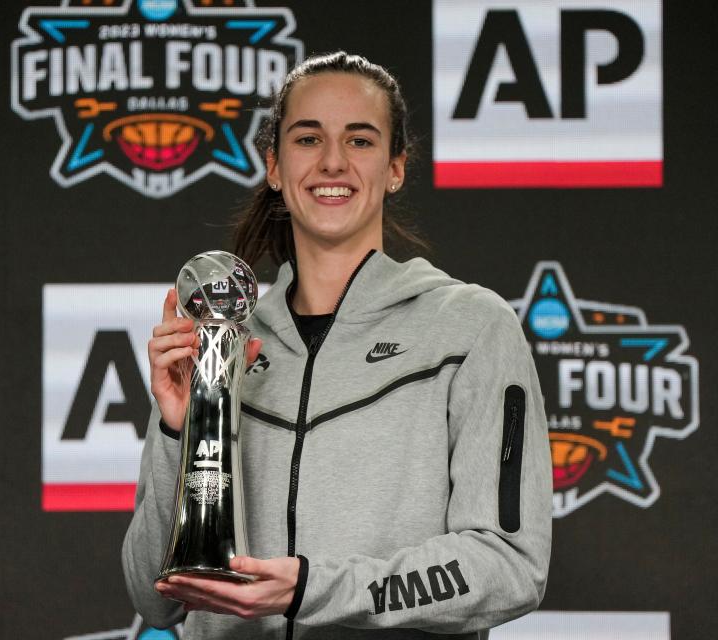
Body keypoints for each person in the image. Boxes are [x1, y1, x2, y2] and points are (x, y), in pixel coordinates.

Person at [122, 51, 552, 640]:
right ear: (274, 166)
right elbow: (154, 598)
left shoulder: (469, 327)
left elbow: (510, 566)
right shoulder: (223, 341)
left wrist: (309, 588)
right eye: (307, 138)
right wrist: (182, 431)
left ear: (395, 168)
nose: (332, 161)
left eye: (360, 140)